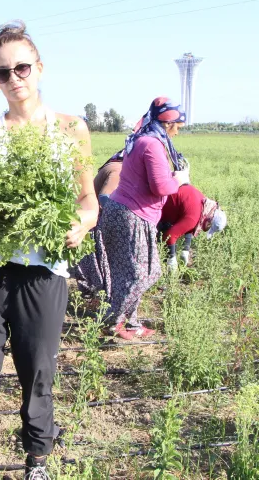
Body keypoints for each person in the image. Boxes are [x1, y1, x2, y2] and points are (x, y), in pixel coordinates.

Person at [0, 21, 98, 480]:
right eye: (1, 73)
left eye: (21, 67)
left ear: (39, 68)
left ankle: (37, 461)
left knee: (38, 372)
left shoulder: (71, 129)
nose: (13, 78)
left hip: (42, 272)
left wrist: (78, 225)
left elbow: (88, 203)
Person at [74, 97, 190, 340]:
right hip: (134, 216)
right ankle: (113, 322)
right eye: (178, 124)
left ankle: (132, 323)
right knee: (145, 273)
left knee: (124, 272)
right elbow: (160, 187)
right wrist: (179, 180)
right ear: (167, 123)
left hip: (120, 210)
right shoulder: (152, 145)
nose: (179, 130)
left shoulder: (140, 140)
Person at [158, 185, 227, 270]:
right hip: (156, 203)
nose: (205, 229)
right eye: (209, 227)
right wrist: (171, 258)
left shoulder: (204, 204)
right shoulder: (194, 217)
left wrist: (186, 249)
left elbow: (189, 226)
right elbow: (169, 236)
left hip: (165, 193)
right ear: (209, 220)